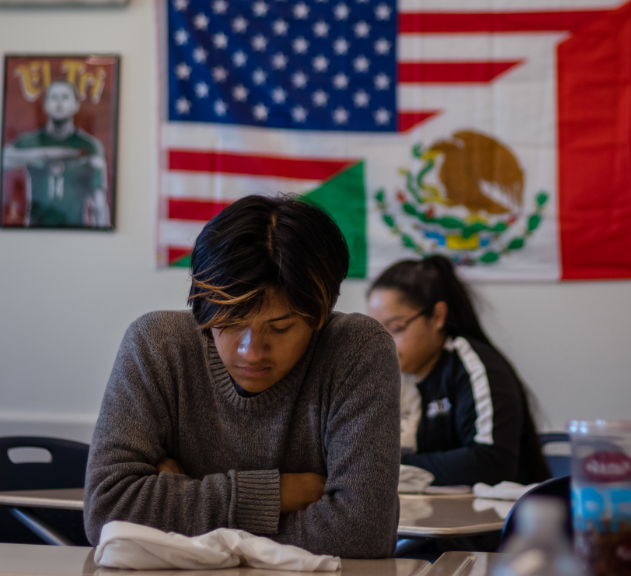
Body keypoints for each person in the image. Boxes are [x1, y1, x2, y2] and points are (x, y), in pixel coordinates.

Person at [84, 195, 401, 557]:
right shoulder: (157, 345)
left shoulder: (358, 351)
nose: (251, 351)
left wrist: (182, 501)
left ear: (320, 315)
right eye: (232, 322)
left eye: (280, 327)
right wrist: (278, 493)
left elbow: (361, 534)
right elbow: (108, 512)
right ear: (203, 305)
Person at [368, 255, 550, 487]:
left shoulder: (473, 365)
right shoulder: (388, 375)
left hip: (501, 517)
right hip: (435, 515)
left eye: (396, 328)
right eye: (376, 331)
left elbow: (491, 462)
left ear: (437, 316)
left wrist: (389, 464)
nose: (384, 343)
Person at [2, 80, 109, 227]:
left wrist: (103, 238)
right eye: (54, 98)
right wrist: (47, 154)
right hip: (36, 231)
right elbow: (4, 159)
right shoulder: (30, 142)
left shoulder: (90, 146)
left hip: (77, 230)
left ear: (76, 105)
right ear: (45, 105)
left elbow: (99, 201)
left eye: (65, 98)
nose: (59, 103)